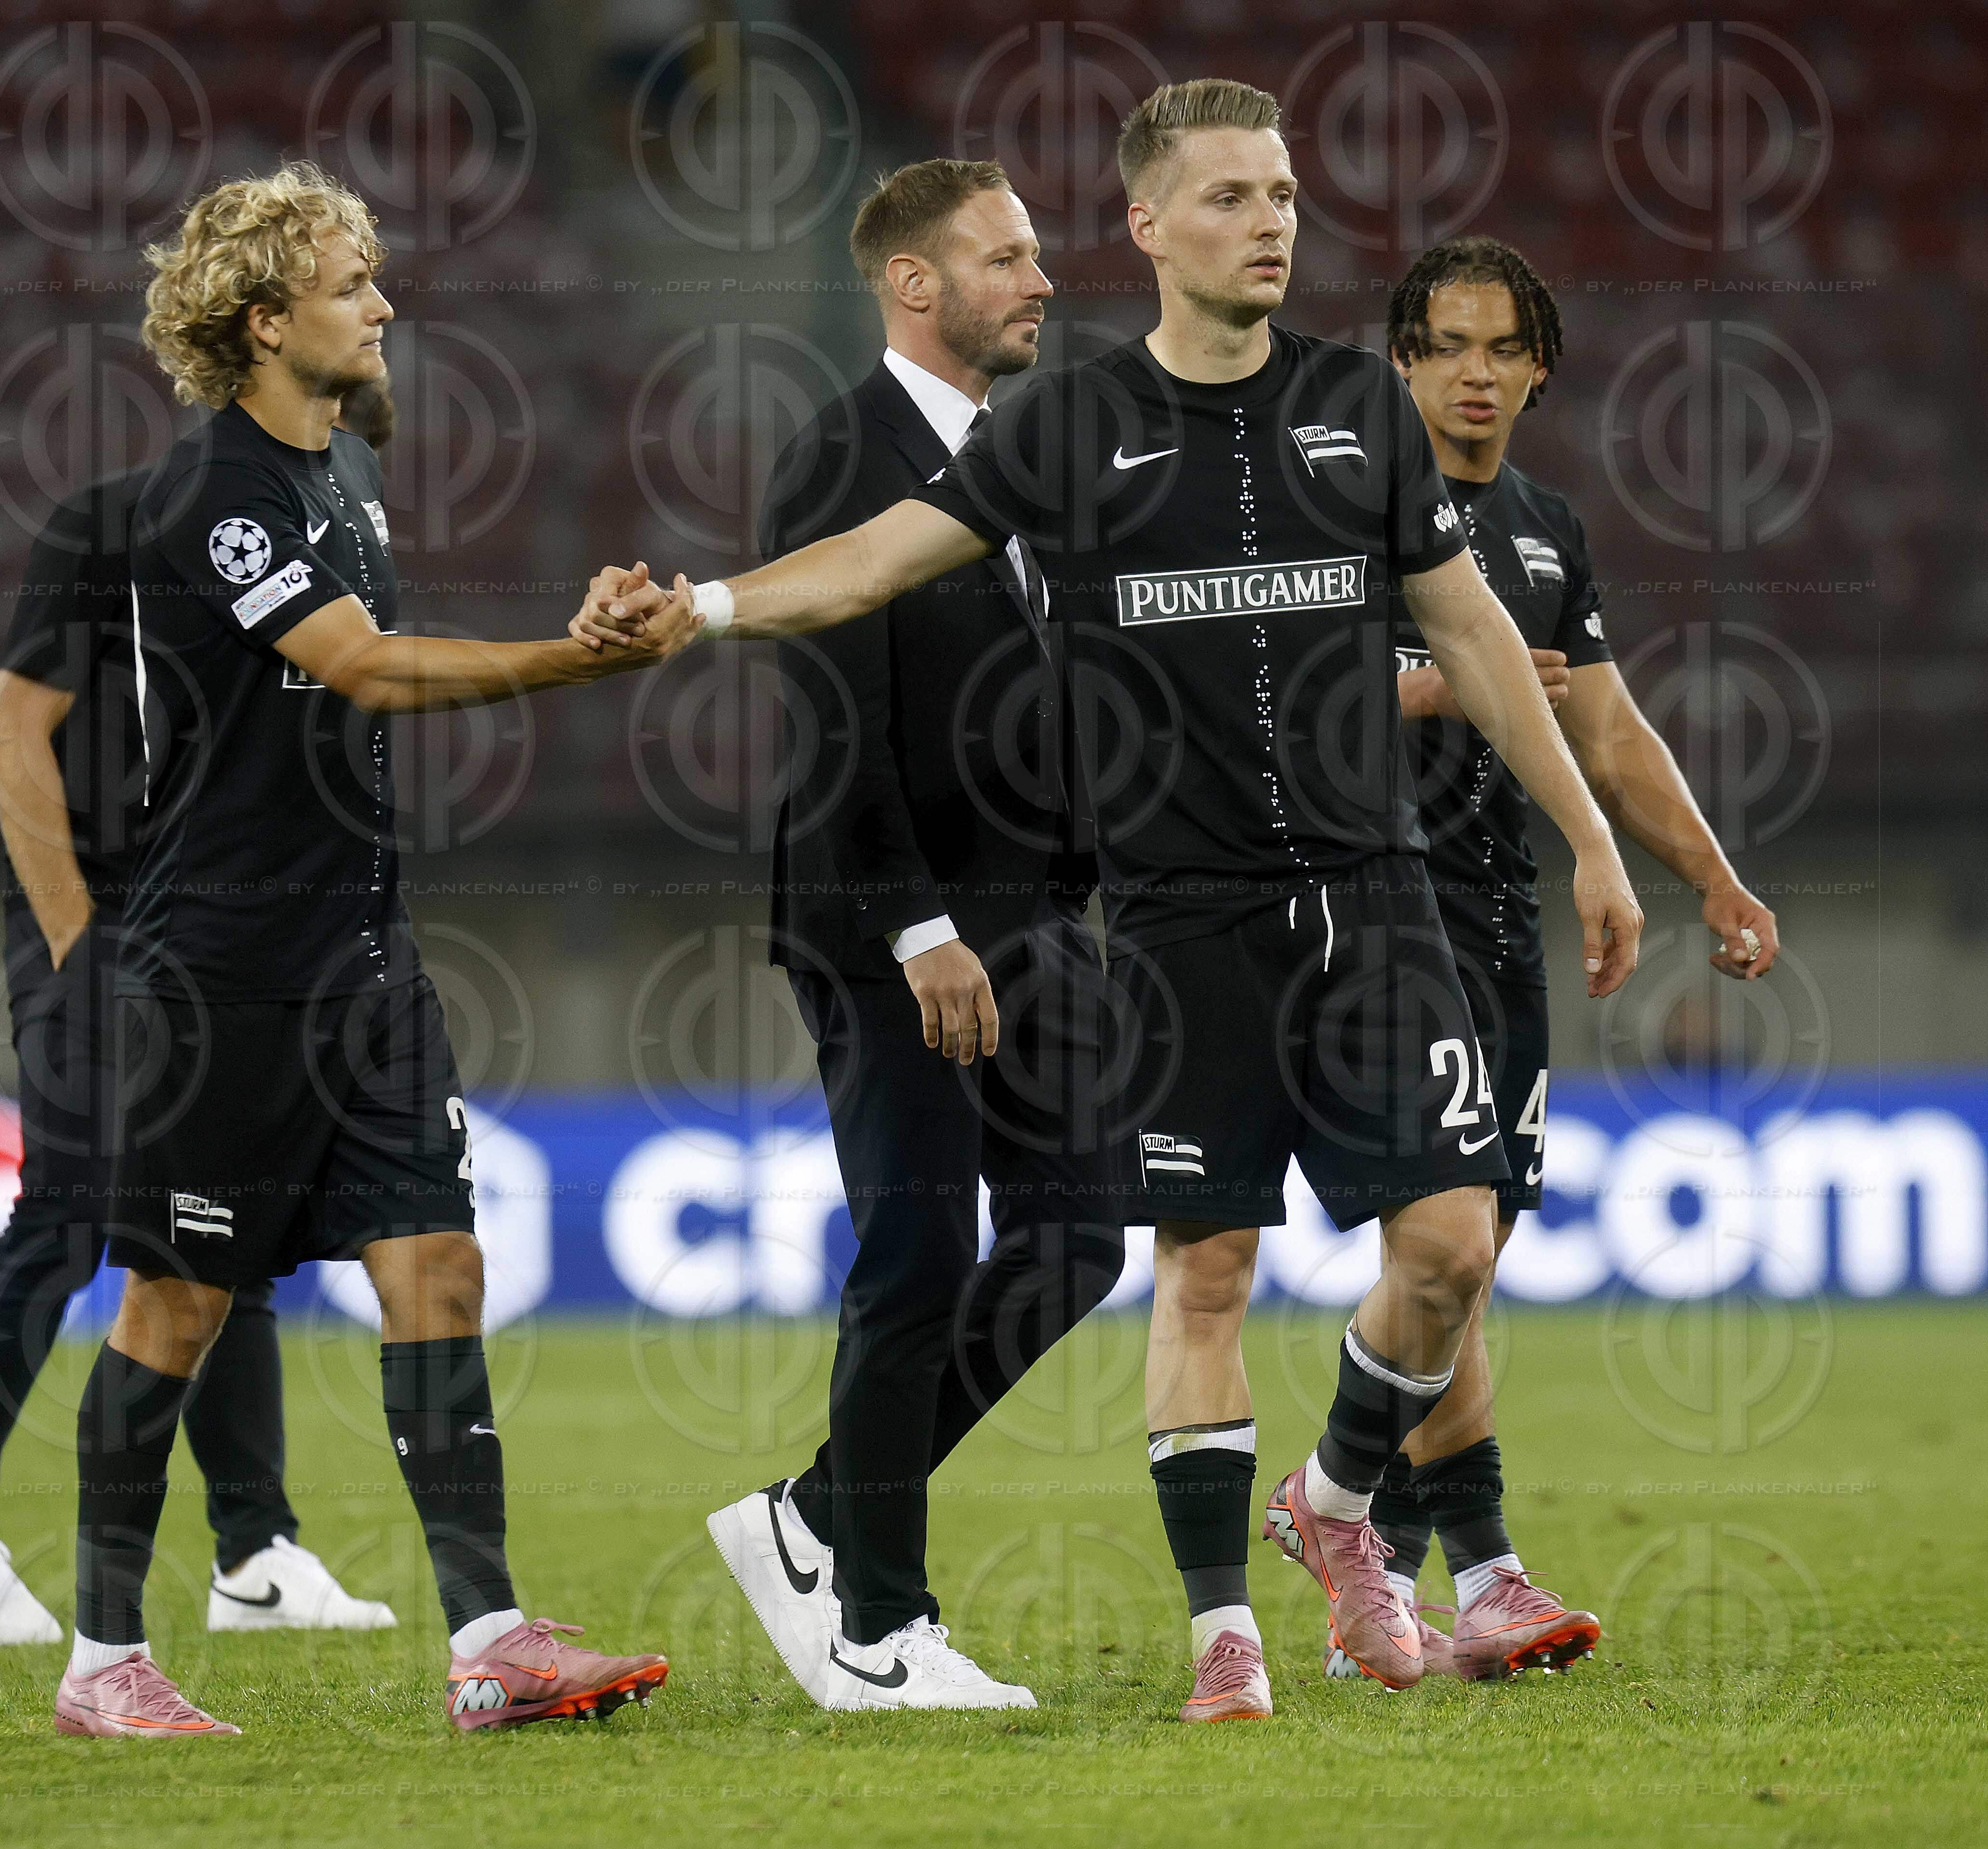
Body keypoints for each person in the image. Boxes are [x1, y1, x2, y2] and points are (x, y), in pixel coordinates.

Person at [574, 79, 1643, 1721]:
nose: (1271, 220)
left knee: (1444, 1241)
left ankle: (1334, 1504)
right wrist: (703, 606)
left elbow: (1481, 638)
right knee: (1156, 1261)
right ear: (1147, 226)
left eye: (1281, 194)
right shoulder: (1061, 429)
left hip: (1365, 902)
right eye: (1229, 196)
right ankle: (1160, 1621)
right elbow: (861, 578)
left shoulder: (1357, 407)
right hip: (1163, 921)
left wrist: (1585, 833)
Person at [50, 162, 697, 1739]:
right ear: (265, 321)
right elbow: (364, 672)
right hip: (224, 971)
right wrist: (577, 656)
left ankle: (488, 1639)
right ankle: (103, 1662)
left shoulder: (342, 475)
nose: (386, 302)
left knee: (439, 1263)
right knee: (177, 1310)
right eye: (352, 284)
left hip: (359, 959)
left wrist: (587, 619)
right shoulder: (212, 491)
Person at [1314, 233, 1781, 1682]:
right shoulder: (1332, 504)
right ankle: (1474, 1566)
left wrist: (1708, 876)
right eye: (1442, 345)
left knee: (1470, 1258)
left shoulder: (1539, 528)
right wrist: (1435, 682)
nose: (1472, 372)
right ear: (1399, 363)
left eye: (1498, 348)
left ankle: (1373, 1579)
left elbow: (1605, 728)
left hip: (1495, 912)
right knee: (1439, 1245)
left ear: (1535, 369)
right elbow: (1265, 701)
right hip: (1364, 910)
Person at [0, 378, 402, 1650]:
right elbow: (16, 733)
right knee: (68, 1212)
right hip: (105, 918)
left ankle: (255, 1553)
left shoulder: (337, 512)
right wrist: (70, 937)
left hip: (224, 927)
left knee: (225, 1220)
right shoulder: (110, 524)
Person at [703, 158, 1124, 1713]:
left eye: (1036, 252)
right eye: (1008, 257)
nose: (1043, 280)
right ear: (914, 284)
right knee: (918, 1255)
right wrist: (920, 928)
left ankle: (814, 1512)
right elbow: (832, 720)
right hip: (904, 929)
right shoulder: (843, 457)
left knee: (1079, 1236)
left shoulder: (1023, 459)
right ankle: (880, 1631)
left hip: (1035, 921)